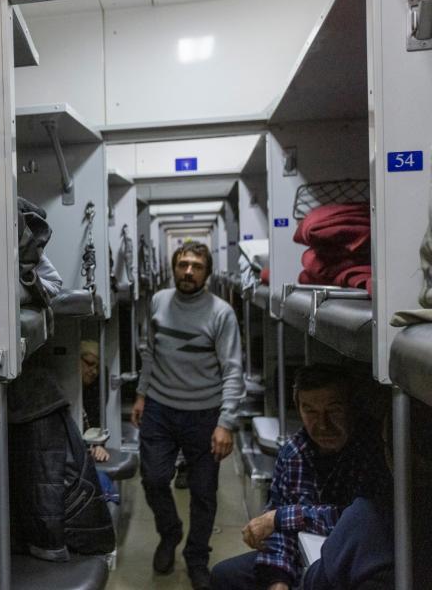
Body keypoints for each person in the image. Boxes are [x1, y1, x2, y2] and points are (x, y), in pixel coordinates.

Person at [210, 364, 391, 590]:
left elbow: (354, 520)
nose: (323, 424)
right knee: (223, 576)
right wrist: (278, 579)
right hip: (301, 553)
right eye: (311, 411)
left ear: (351, 408)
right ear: (298, 408)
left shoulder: (372, 451)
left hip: (350, 558)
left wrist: (281, 518)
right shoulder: (294, 452)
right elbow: (277, 527)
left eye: (333, 410)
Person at [131, 241, 244, 590]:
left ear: (207, 272)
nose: (189, 271)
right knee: (152, 478)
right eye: (182, 265)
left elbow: (233, 370)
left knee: (203, 492)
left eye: (196, 265)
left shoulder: (221, 313)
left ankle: (197, 557)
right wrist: (140, 394)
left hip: (204, 413)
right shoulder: (159, 302)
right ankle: (170, 532)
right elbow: (150, 352)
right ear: (174, 268)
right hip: (160, 408)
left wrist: (226, 423)